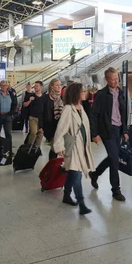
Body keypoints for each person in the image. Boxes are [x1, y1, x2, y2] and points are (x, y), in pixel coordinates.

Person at [53, 83, 94, 215]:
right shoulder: (68, 109)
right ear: (76, 93)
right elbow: (60, 130)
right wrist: (58, 146)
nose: (85, 93)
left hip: (82, 146)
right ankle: (81, 204)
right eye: (82, 91)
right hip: (73, 147)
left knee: (72, 172)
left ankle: (66, 195)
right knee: (77, 174)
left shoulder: (81, 108)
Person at [89, 67, 128, 202]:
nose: (116, 81)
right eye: (113, 79)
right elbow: (93, 115)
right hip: (107, 130)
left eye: (117, 78)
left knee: (113, 157)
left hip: (118, 129)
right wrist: (94, 134)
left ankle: (95, 174)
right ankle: (115, 189)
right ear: (106, 80)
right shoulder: (101, 95)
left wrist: (125, 130)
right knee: (114, 159)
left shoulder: (121, 93)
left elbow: (124, 112)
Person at [41, 78, 63, 159]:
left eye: (60, 85)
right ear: (52, 87)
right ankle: (51, 166)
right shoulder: (45, 97)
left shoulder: (61, 97)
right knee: (55, 146)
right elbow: (41, 113)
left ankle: (51, 165)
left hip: (59, 126)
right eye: (57, 85)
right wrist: (40, 126)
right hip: (49, 126)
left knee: (55, 147)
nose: (59, 87)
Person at [23, 81, 44, 146]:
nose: (35, 87)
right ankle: (29, 146)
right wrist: (29, 100)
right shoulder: (30, 96)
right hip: (33, 118)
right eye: (34, 86)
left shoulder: (45, 97)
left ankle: (37, 149)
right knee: (33, 132)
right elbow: (24, 105)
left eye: (37, 86)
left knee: (40, 134)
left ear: (41, 87)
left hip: (41, 118)